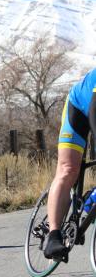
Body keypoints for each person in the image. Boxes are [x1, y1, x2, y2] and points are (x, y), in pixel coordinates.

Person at [45, 68, 96, 260]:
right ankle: (54, 235)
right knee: (68, 169)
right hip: (82, 109)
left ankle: (92, 199)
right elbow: (94, 113)